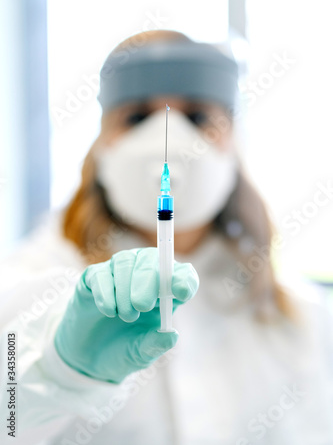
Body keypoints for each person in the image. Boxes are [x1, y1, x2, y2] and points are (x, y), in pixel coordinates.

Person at [0, 29, 333, 445]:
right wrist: (60, 370)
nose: (168, 139)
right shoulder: (31, 284)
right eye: (138, 118)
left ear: (232, 139)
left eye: (196, 117)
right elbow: (7, 419)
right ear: (102, 141)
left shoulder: (294, 314)